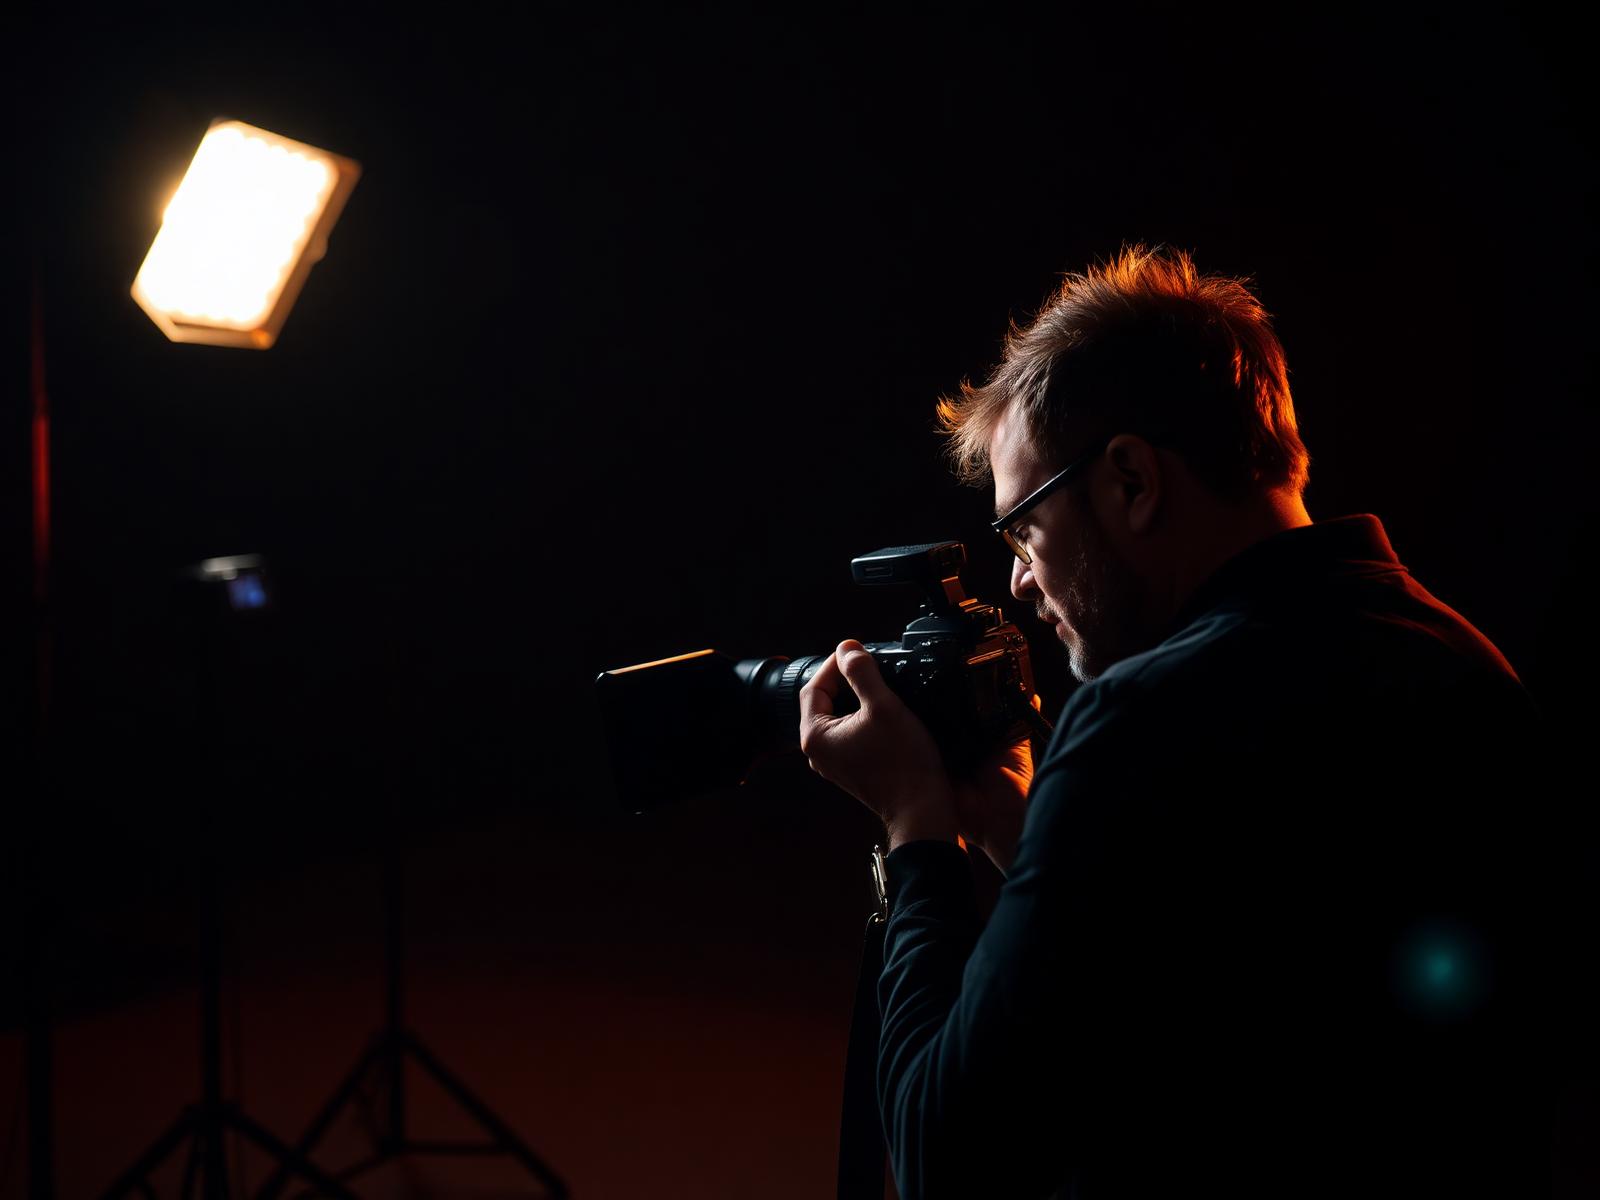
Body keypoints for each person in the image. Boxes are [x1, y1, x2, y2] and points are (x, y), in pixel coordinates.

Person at [799, 245, 1581, 1198]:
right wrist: (1016, 826)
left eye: (1023, 527)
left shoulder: (1141, 720)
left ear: (1131, 480)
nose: (1017, 579)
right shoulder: (1468, 672)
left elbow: (943, 1156)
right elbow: (1233, 1019)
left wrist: (914, 828)